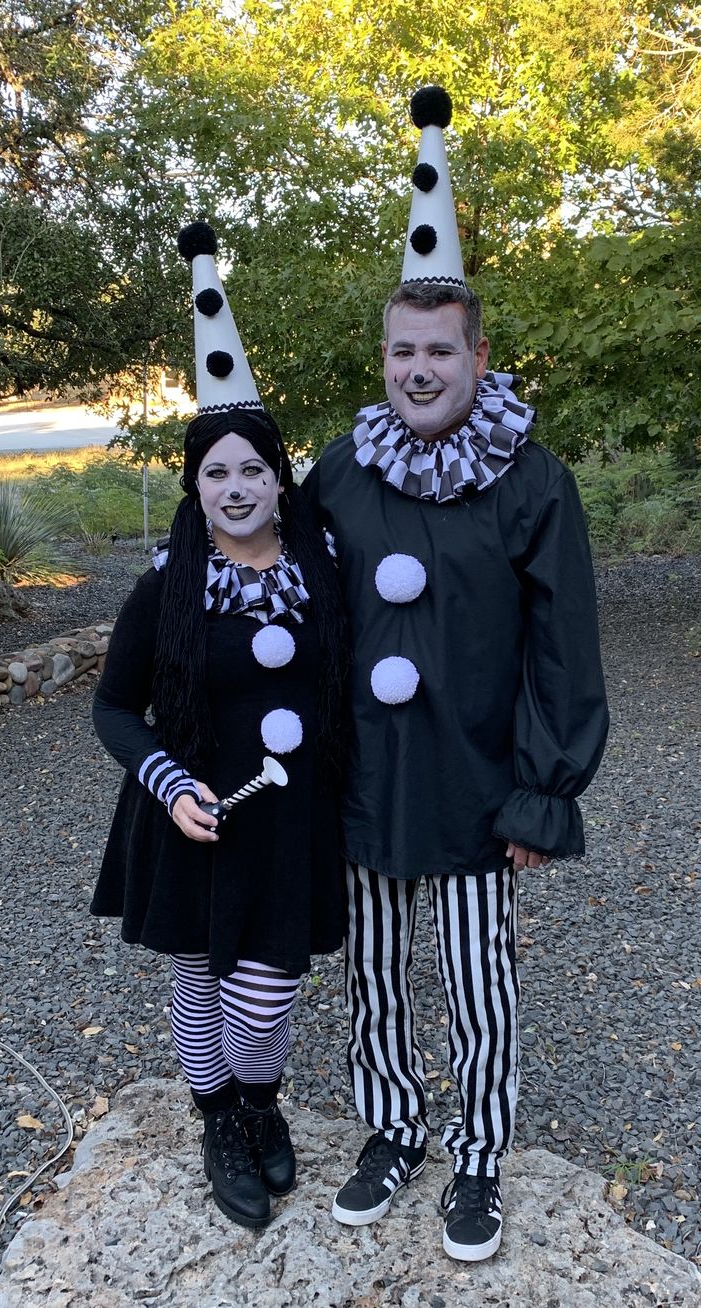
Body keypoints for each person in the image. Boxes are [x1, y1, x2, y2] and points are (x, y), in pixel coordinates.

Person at [303, 87, 609, 1262]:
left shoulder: (530, 481)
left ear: (478, 355)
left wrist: (544, 790)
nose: (419, 369)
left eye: (441, 350)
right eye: (401, 351)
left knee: (479, 982)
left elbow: (563, 651)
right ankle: (392, 1127)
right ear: (381, 357)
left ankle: (478, 1151)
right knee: (376, 972)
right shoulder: (339, 471)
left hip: (483, 784)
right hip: (365, 780)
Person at [90, 222, 347, 1230]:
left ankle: (256, 1092)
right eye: (214, 473)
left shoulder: (323, 569)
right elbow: (113, 706)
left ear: (280, 475)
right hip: (192, 810)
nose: (236, 486)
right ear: (194, 489)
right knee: (199, 972)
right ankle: (222, 1119)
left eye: (253, 469)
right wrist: (169, 784)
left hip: (291, 822)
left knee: (267, 993)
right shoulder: (169, 589)